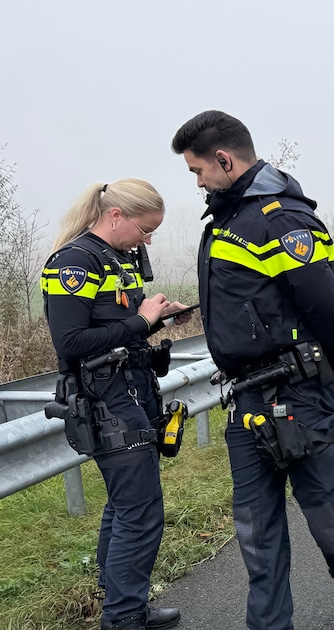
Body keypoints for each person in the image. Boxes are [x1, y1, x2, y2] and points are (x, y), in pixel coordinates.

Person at [170, 110, 334, 630]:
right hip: (246, 397)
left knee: (321, 505)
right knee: (255, 529)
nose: (197, 183)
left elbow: (325, 304)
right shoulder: (226, 219)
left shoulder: (281, 218)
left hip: (297, 393)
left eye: (199, 171)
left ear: (224, 159)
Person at [41, 179, 191, 630]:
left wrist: (155, 318)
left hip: (133, 393)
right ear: (116, 216)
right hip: (104, 401)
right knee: (141, 511)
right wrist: (141, 319)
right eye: (145, 230)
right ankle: (123, 618)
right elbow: (70, 344)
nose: (148, 241)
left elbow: (117, 327)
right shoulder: (73, 261)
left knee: (125, 506)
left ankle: (125, 602)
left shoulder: (115, 260)